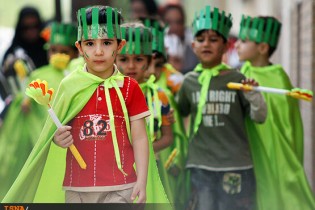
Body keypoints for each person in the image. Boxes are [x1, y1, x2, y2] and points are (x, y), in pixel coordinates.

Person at [2, 6, 170, 206]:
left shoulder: (130, 88)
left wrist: (142, 181)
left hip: (121, 187)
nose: (98, 51)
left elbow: (141, 138)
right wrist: (58, 138)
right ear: (80, 48)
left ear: (120, 45)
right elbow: (53, 133)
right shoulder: (69, 86)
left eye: (107, 42)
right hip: (77, 189)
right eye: (90, 43)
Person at [176, 6, 267, 210]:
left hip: (235, 165)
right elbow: (177, 116)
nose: (206, 44)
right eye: (201, 39)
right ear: (193, 45)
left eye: (214, 39)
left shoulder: (238, 79)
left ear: (226, 45)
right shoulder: (188, 82)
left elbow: (260, 117)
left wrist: (254, 94)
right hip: (200, 165)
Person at [235, 15, 315, 210]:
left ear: (262, 48)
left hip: (277, 153)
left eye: (244, 41)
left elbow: (286, 123)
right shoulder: (241, 73)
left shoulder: (278, 78)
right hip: (251, 151)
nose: (236, 45)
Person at [0, 21, 78, 201]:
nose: (57, 55)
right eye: (53, 50)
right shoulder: (39, 73)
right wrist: (25, 101)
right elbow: (27, 93)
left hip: (70, 135)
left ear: (76, 52)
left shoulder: (76, 74)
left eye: (64, 52)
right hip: (42, 134)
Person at [139, 16, 190, 210]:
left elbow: (178, 128)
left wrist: (176, 158)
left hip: (163, 157)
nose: (151, 70)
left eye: (157, 64)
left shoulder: (170, 85)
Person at [0, 6, 48, 120]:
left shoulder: (49, 49)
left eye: (35, 26)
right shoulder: (13, 55)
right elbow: (5, 90)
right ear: (19, 28)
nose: (31, 31)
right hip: (23, 113)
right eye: (26, 27)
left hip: (49, 108)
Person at [159, 3, 199, 75]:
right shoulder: (156, 47)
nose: (175, 27)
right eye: (168, 22)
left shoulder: (194, 47)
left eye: (179, 22)